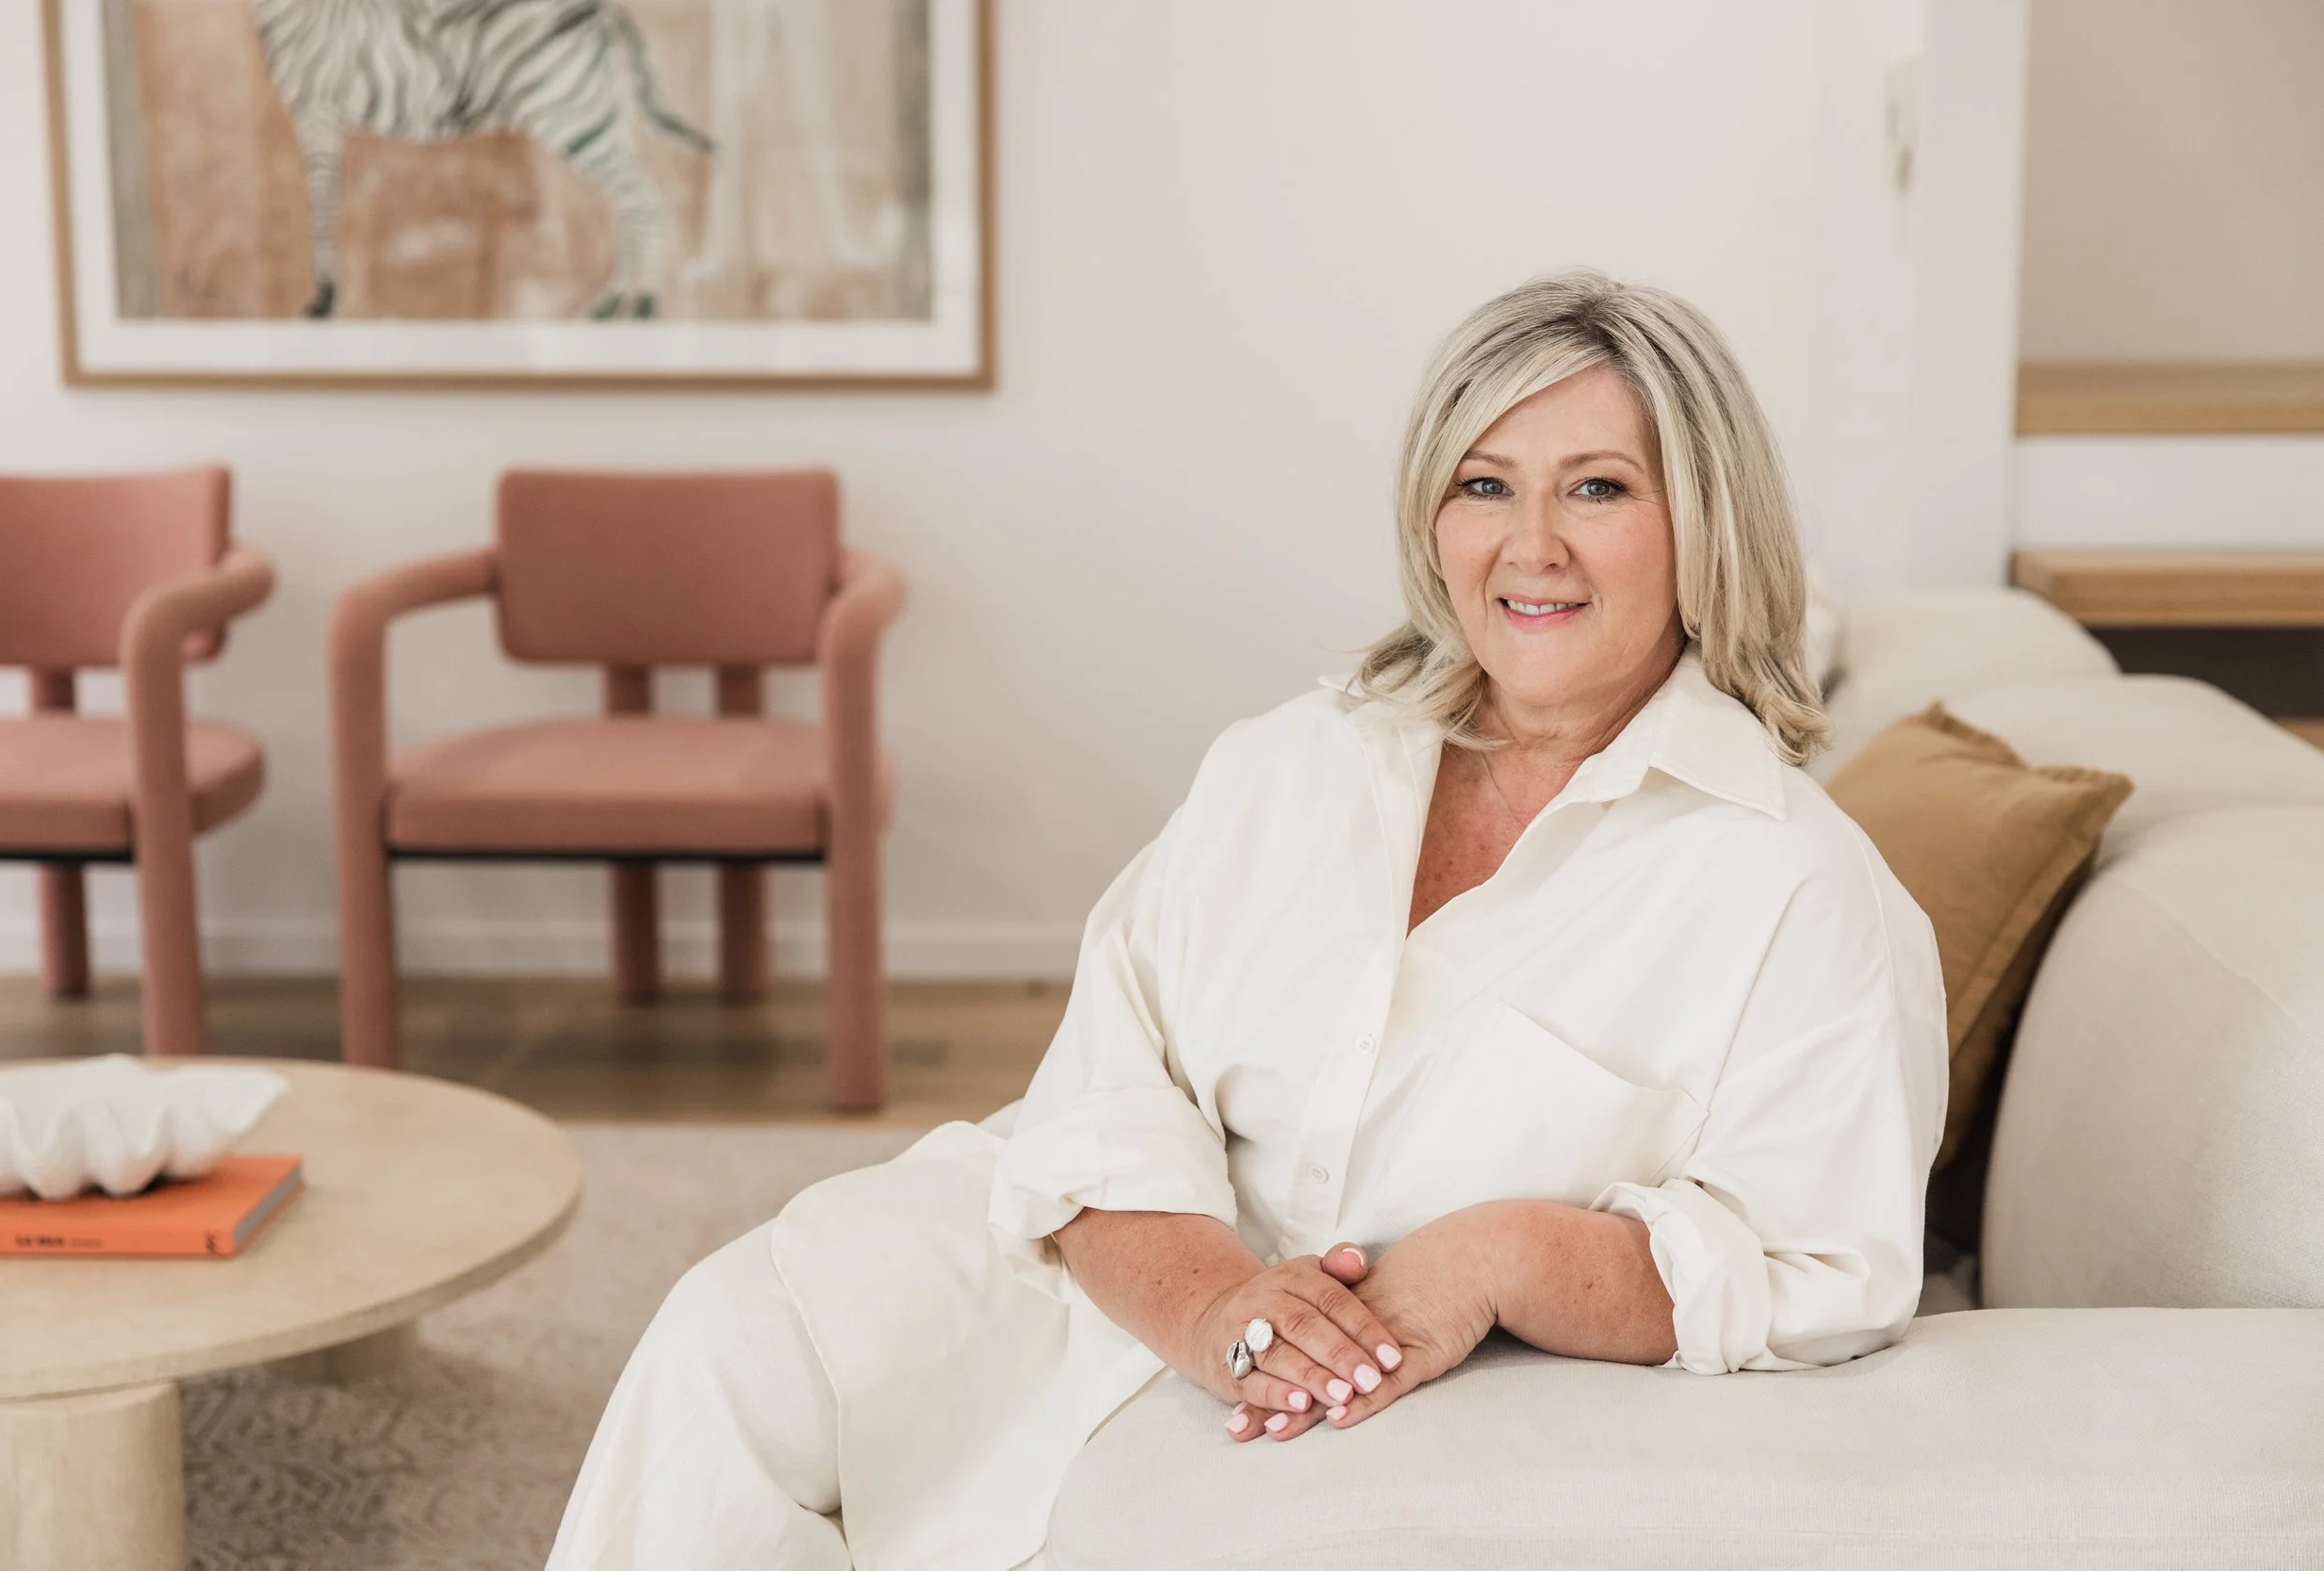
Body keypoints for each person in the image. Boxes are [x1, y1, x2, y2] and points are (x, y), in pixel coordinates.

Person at [544, 269, 1948, 1571]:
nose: (1532, 547)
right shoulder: (1295, 759)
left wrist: (1501, 1255)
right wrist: (1211, 1301)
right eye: (1483, 484)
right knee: (728, 1338)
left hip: (1384, 1380)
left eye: (1596, 488)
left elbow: (1826, 1265)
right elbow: (1109, 1075)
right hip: (1120, 1274)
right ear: (1430, 516)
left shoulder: (1797, 885)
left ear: (1703, 523)